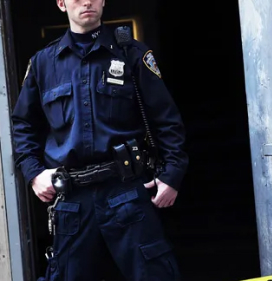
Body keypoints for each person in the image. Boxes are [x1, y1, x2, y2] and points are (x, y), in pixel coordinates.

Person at [10, 0, 188, 280]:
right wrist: (33, 174)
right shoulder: (43, 64)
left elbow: (166, 119)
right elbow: (23, 125)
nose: (86, 1)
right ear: (61, 3)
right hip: (72, 201)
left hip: (126, 192)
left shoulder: (131, 53)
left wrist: (172, 174)